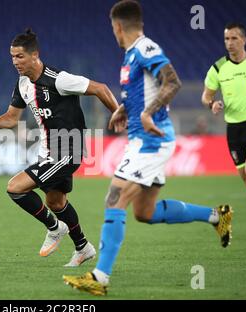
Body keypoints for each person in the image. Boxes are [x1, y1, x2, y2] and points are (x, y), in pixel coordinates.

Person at [63, 0, 232, 296]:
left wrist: (146, 113)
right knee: (145, 212)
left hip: (151, 141)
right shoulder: (130, 55)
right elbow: (143, 91)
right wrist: (125, 109)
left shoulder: (145, 48)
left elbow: (172, 82)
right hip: (141, 141)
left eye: (112, 28)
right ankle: (217, 216)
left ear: (117, 26)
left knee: (114, 197)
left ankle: (99, 278)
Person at [0, 29, 123, 267]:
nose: (15, 62)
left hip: (68, 149)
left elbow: (101, 88)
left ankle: (55, 228)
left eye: (20, 57)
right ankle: (83, 247)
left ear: (35, 55)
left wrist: (118, 115)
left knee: (15, 188)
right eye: (12, 57)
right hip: (48, 152)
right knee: (56, 202)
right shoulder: (23, 84)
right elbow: (12, 118)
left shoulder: (59, 79)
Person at [201, 23, 246, 242]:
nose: (229, 43)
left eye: (234, 38)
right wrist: (211, 104)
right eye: (226, 39)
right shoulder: (218, 68)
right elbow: (206, 96)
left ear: (244, 40)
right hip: (234, 130)